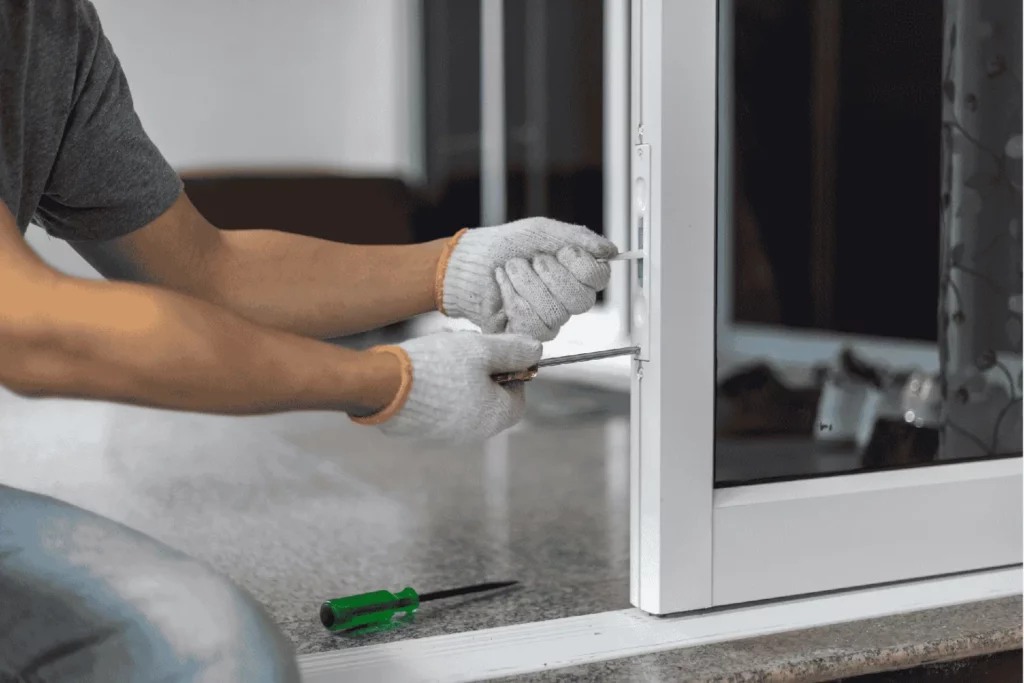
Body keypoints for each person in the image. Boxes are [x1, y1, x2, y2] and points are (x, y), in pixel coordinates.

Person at [0, 1, 616, 681]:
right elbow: (31, 329)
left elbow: (205, 271)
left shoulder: (53, 28)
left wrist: (456, 268)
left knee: (222, 654)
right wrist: (386, 380)